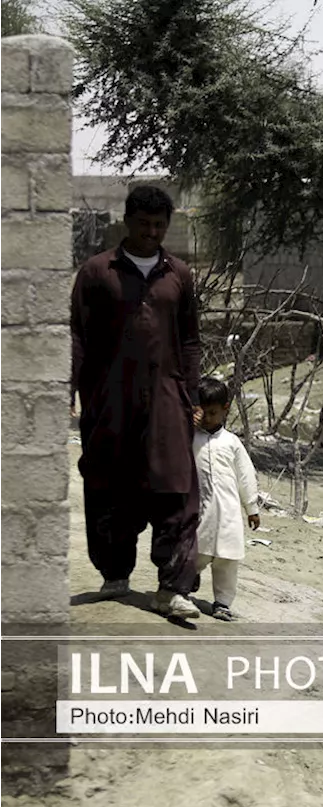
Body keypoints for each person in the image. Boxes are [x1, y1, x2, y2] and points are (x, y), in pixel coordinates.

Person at [70, 185, 203, 620]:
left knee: (176, 489)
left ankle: (172, 588)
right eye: (144, 224)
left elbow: (190, 341)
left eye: (159, 226)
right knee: (108, 482)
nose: (151, 233)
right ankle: (114, 575)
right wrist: (69, 391)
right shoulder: (96, 272)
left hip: (167, 399)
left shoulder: (178, 275)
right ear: (127, 221)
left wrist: (193, 396)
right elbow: (77, 336)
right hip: (109, 400)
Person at [192, 376, 260, 621]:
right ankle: (188, 579)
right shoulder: (191, 438)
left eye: (212, 413)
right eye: (203, 413)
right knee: (196, 552)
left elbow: (245, 475)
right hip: (201, 512)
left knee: (227, 561)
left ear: (225, 409)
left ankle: (222, 602)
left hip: (230, 514)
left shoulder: (231, 442)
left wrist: (251, 507)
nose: (207, 418)